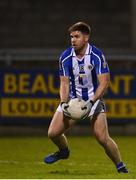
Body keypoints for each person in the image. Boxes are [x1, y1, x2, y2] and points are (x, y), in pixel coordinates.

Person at [44, 22, 128, 173]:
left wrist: (91, 102)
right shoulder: (65, 57)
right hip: (73, 101)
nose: (73, 40)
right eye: (71, 37)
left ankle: (120, 167)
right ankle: (64, 151)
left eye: (77, 36)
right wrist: (63, 103)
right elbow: (64, 84)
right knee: (53, 133)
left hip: (93, 101)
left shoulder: (96, 55)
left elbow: (104, 82)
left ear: (86, 38)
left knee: (102, 138)